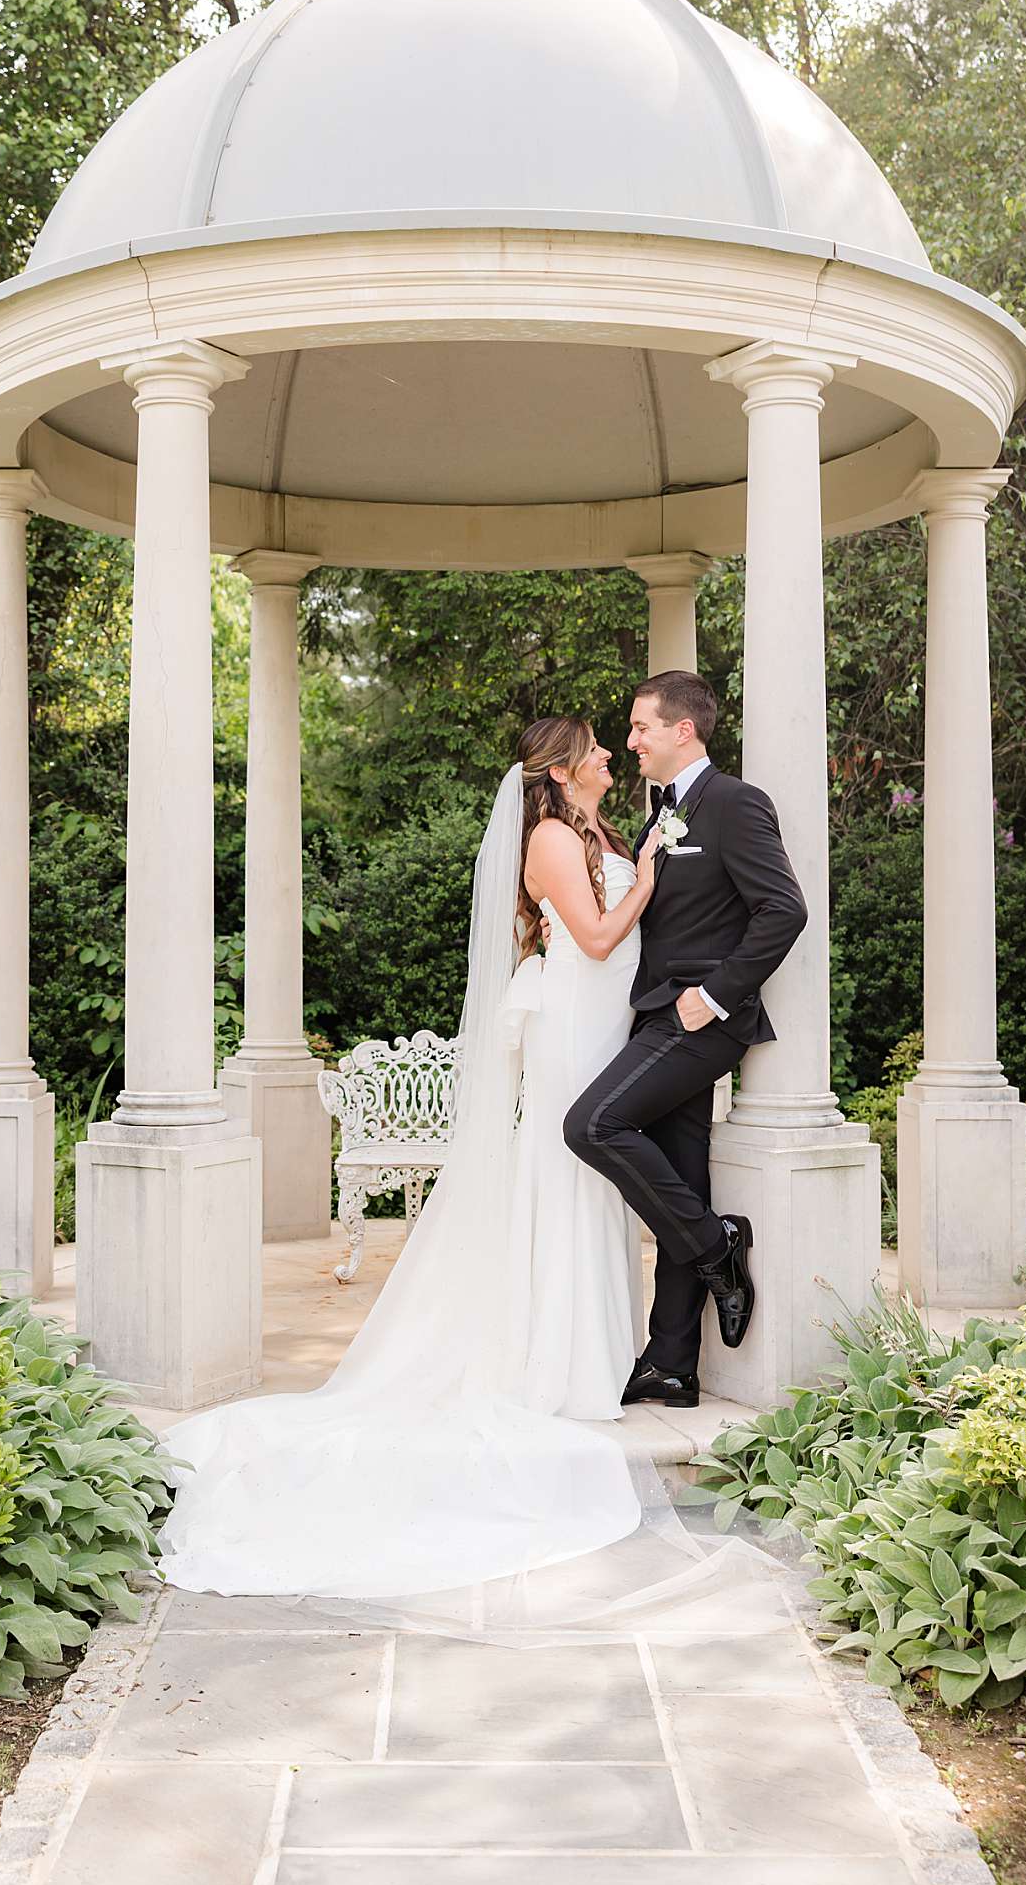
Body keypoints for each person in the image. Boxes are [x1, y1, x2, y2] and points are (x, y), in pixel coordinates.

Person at [152, 713, 784, 1636]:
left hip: (622, 1024)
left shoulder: (608, 824)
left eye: (625, 738)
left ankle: (634, 1356)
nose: (612, 753)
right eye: (599, 748)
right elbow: (601, 939)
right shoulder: (551, 840)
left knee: (598, 1188)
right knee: (575, 1164)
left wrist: (649, 873)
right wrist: (646, 880)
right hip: (578, 1024)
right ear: (564, 771)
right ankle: (583, 1349)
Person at [565, 671, 808, 1410]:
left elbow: (783, 909)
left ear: (684, 731)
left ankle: (714, 1246)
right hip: (654, 1017)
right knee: (680, 1178)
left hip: (700, 1020)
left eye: (641, 727)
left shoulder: (735, 804)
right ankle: (671, 1362)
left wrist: (716, 993)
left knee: (592, 1124)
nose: (630, 740)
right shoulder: (656, 816)